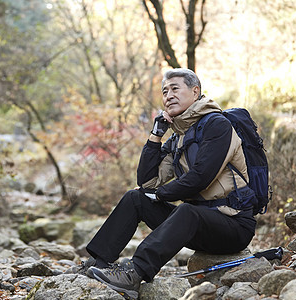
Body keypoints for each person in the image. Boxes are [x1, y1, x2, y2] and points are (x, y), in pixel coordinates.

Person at [74, 68, 257, 300]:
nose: (168, 95)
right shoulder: (179, 135)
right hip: (196, 225)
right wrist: (156, 135)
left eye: (174, 88)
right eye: (164, 91)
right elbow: (148, 182)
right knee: (136, 198)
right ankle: (98, 262)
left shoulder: (217, 125)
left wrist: (161, 195)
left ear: (195, 91)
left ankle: (134, 273)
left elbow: (202, 176)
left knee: (187, 210)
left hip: (233, 225)